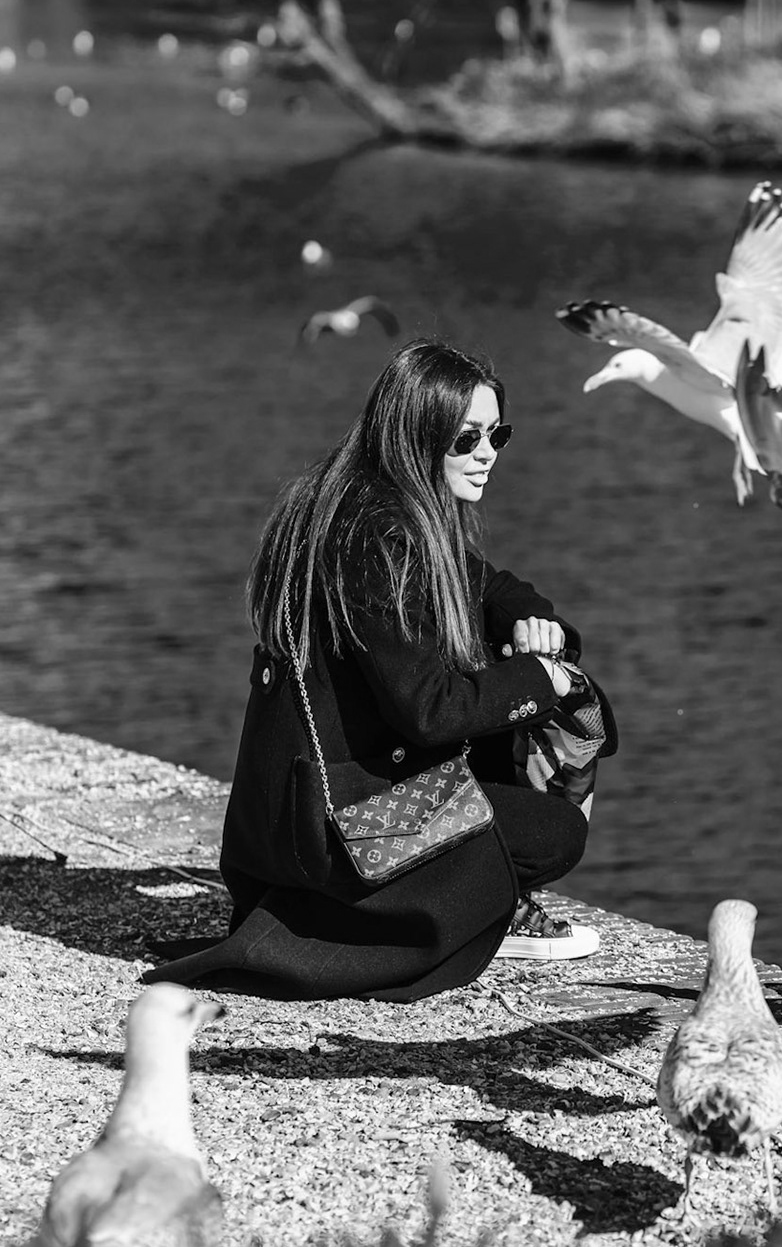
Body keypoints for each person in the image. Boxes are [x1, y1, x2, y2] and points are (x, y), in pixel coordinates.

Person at [145, 339, 616, 1001]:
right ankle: (473, 906)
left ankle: (481, 894)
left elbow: (492, 587)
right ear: (419, 435)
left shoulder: (355, 506)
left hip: (284, 827)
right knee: (553, 829)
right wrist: (549, 681)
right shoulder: (379, 543)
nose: (487, 453)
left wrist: (535, 625)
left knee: (494, 679)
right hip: (334, 836)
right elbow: (432, 712)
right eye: (467, 438)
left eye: (498, 434)